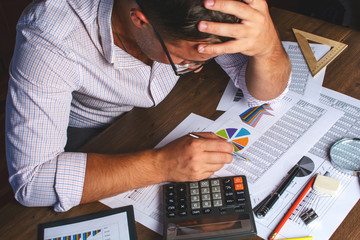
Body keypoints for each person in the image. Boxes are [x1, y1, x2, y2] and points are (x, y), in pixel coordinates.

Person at [5, 0, 291, 212]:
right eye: (185, 59)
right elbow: (32, 181)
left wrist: (267, 47)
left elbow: (262, 97)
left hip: (155, 116)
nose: (197, 68)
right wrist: (162, 165)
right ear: (140, 20)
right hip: (87, 133)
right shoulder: (50, 36)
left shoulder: (202, 12)